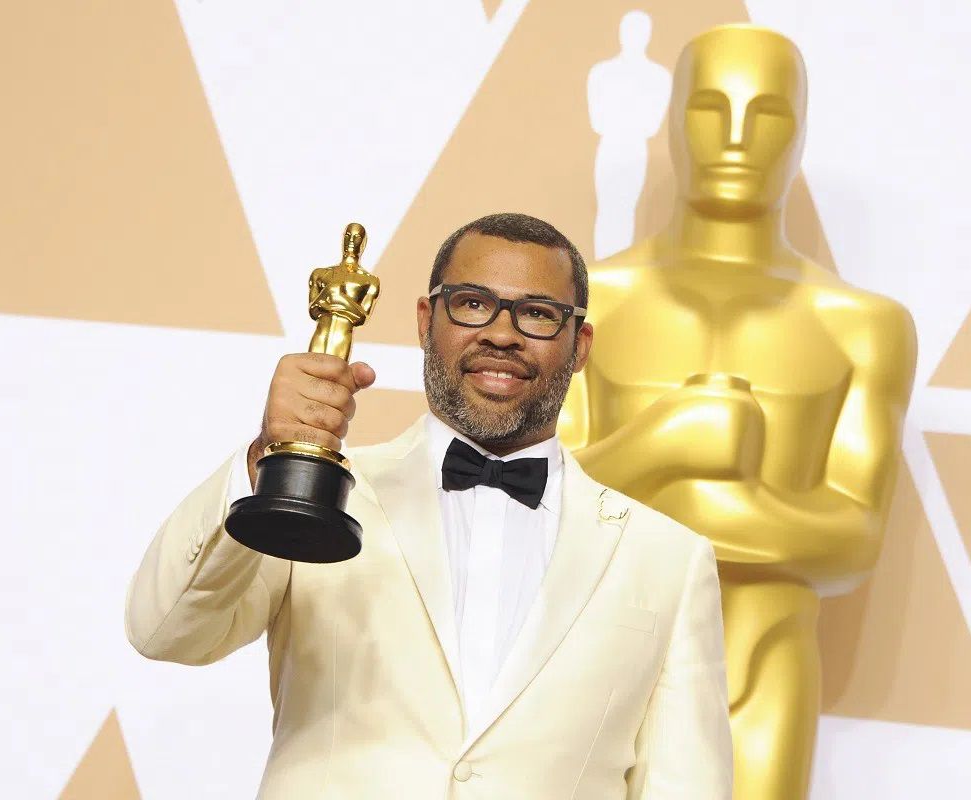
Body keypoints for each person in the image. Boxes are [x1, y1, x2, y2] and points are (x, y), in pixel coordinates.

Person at [125, 212, 734, 799]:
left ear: (580, 346)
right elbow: (166, 631)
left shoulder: (668, 560)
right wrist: (269, 455)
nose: (502, 334)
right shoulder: (324, 493)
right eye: (472, 303)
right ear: (425, 321)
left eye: (538, 314)